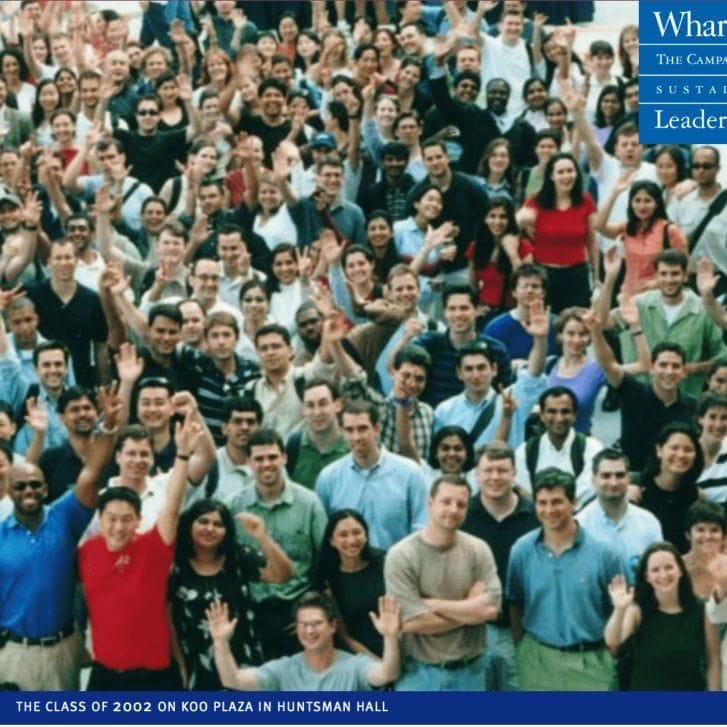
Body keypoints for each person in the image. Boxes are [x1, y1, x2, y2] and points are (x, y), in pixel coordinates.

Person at [0, 387, 121, 690]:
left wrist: (107, 427)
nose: (29, 491)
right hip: (14, 654)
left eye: (35, 485)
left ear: (45, 488)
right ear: (8, 490)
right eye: (20, 486)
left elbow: (92, 472)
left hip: (64, 650)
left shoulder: (64, 516)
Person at [79, 413, 203, 690]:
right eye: (111, 518)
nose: (119, 526)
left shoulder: (153, 550)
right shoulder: (85, 552)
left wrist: (182, 456)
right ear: (99, 519)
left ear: (138, 520)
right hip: (105, 674)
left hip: (153, 675)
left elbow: (171, 505)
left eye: (127, 519)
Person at [507, 468, 623, 691]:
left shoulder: (605, 554)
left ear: (574, 502)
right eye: (542, 502)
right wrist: (522, 647)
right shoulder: (522, 551)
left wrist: (610, 654)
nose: (549, 510)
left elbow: (618, 609)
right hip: (537, 661)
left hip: (592, 663)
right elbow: (515, 601)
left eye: (557, 502)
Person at [385, 474, 501, 691]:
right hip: (419, 676)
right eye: (446, 502)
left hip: (471, 673)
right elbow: (413, 622)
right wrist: (469, 609)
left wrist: (432, 604)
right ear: (430, 503)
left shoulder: (478, 549)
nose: (454, 509)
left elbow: (490, 609)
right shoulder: (401, 555)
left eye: (461, 504)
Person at [169, 498, 293, 689]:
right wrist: (180, 665)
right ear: (189, 523)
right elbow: (168, 619)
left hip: (244, 659)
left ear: (226, 531)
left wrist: (262, 536)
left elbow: (283, 575)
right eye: (203, 521)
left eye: (218, 524)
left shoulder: (237, 556)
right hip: (198, 663)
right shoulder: (174, 565)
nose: (210, 528)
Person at [225, 429, 328, 660]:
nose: (266, 464)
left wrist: (312, 607)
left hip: (298, 610)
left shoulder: (309, 503)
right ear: (248, 462)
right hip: (252, 612)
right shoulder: (233, 506)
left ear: (284, 458)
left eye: (272, 457)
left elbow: (326, 562)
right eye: (259, 459)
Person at [206, 590, 401, 690]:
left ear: (332, 626)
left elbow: (387, 674)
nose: (309, 630)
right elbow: (232, 680)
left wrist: (390, 637)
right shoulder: (283, 670)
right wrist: (220, 642)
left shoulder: (355, 666)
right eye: (303, 624)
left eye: (316, 623)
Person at [461, 441, 539, 691]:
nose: (495, 477)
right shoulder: (462, 517)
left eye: (502, 470)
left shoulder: (535, 517)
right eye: (488, 470)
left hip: (523, 630)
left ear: (514, 473)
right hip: (474, 630)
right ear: (476, 474)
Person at [588, 307, 698, 473]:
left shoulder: (694, 407)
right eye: (663, 365)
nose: (669, 371)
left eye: (675, 366)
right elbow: (608, 365)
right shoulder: (633, 392)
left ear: (683, 372)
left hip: (676, 481)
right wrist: (595, 332)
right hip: (634, 481)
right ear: (652, 368)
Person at [315, 400, 428, 550]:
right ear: (342, 432)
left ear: (376, 429)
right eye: (349, 430)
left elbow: (421, 528)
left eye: (362, 429)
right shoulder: (329, 478)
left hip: (395, 568)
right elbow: (324, 533)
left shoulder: (410, 474)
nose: (356, 437)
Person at [605, 543, 720, 690]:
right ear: (647, 577)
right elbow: (613, 641)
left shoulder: (702, 609)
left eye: (669, 567)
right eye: (655, 570)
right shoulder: (637, 610)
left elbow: (713, 662)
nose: (663, 575)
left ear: (680, 570)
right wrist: (619, 610)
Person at [517, 151, 598, 312]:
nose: (566, 176)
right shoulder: (536, 201)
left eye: (570, 171)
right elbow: (513, 226)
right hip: (545, 275)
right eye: (560, 172)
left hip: (577, 275)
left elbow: (592, 242)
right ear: (551, 176)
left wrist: (597, 277)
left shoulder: (585, 200)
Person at [577, 449, 663, 580]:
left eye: (620, 475)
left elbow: (660, 571)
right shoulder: (579, 526)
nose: (613, 482)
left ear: (629, 478)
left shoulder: (648, 522)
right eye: (606, 476)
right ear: (593, 479)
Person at [311, 509, 387, 656]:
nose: (352, 540)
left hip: (398, 644)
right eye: (343, 535)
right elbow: (344, 637)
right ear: (332, 541)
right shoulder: (328, 579)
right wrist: (377, 665)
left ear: (366, 534)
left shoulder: (384, 563)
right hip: (359, 656)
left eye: (357, 532)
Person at [514, 386, 604, 509]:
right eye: (552, 411)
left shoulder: (592, 448)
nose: (559, 418)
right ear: (542, 415)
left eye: (565, 411)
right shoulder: (525, 451)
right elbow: (524, 492)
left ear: (574, 415)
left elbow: (588, 490)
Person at [596, 177, 688, 296]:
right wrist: (614, 193)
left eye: (647, 201)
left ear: (656, 203)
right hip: (629, 295)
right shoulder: (628, 227)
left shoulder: (670, 230)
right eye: (637, 200)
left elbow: (685, 269)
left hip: (659, 296)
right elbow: (599, 226)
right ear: (631, 203)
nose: (642, 206)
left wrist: (656, 283)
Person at [637, 422, 703, 554]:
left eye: (688, 450)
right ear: (659, 450)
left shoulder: (697, 496)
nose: (681, 455)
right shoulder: (638, 489)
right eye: (674, 448)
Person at [285, 379, 348, 490]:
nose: (317, 412)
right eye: (310, 406)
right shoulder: (294, 446)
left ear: (337, 405)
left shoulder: (351, 447)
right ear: (303, 410)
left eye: (323, 404)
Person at [683, 501, 727, 599]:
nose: (707, 536)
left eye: (714, 530)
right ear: (688, 534)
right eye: (700, 529)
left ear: (724, 536)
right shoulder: (677, 568)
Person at [696, 392, 727, 502]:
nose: (718, 424)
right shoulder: (687, 452)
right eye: (712, 417)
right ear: (700, 419)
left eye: (724, 418)